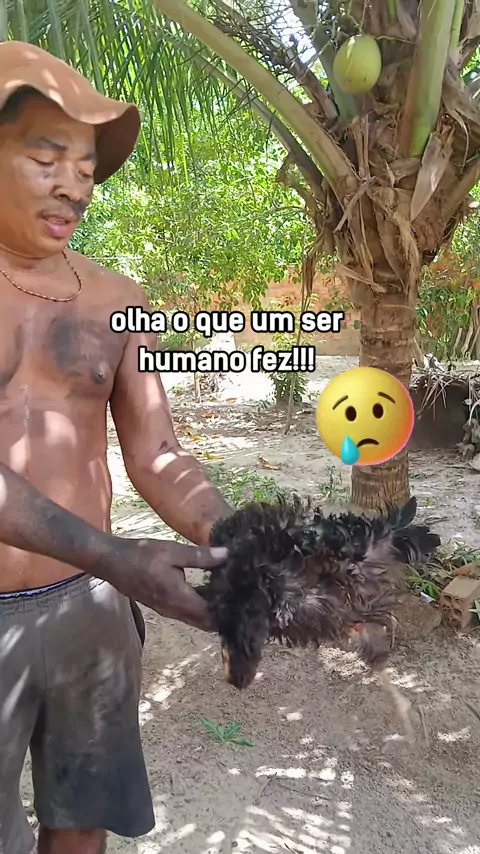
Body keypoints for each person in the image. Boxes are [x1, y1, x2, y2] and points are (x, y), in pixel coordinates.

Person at [0, 41, 233, 854]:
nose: (74, 184)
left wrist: (235, 538)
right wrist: (115, 556)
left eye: (87, 167)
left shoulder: (118, 299)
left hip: (89, 609)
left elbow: (157, 452)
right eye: (46, 157)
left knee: (82, 818)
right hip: (93, 575)